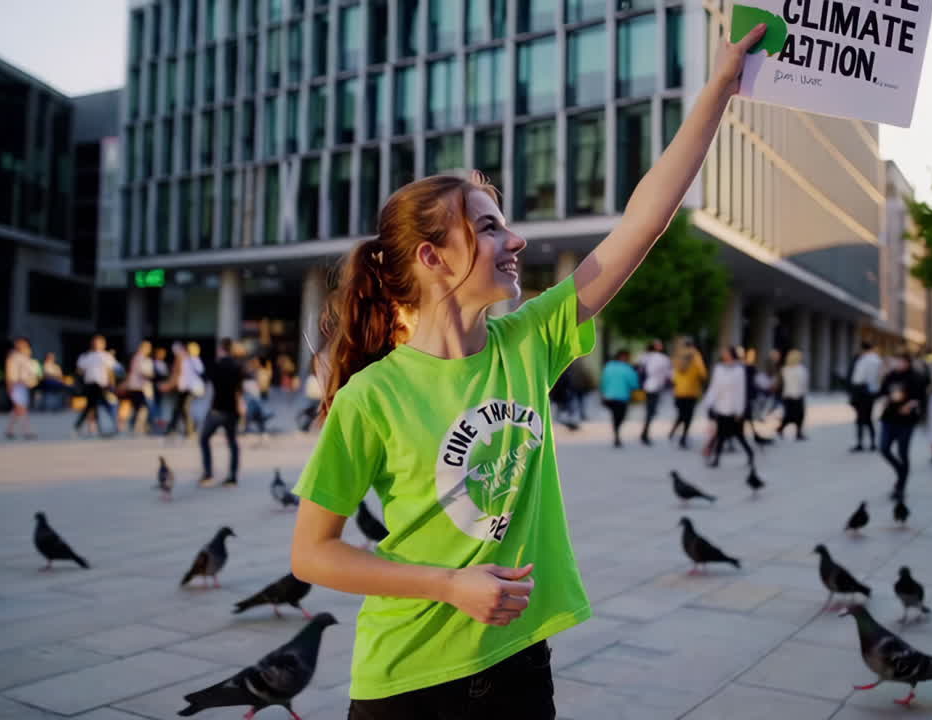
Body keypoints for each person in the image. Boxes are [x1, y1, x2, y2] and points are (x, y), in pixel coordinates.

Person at [288, 26, 766, 716]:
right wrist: (449, 585)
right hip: (408, 683)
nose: (515, 239)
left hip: (519, 666)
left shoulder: (530, 340)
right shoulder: (374, 395)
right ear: (432, 258)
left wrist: (719, 87)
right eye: (487, 228)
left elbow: (643, 221)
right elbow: (313, 554)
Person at [879, 353, 926, 500]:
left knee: (902, 452)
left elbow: (920, 397)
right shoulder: (890, 376)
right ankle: (901, 471)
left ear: (907, 363)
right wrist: (885, 399)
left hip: (906, 421)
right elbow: (882, 392)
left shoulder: (915, 377)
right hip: (888, 418)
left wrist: (910, 405)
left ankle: (900, 487)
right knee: (884, 448)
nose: (898, 364)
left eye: (901, 361)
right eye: (897, 361)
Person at [200, 338, 243, 487]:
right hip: (232, 410)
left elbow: (208, 385)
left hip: (217, 409)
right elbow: (239, 391)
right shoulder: (237, 366)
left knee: (204, 439)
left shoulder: (216, 366)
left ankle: (208, 473)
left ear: (221, 349)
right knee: (232, 443)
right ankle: (232, 477)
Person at [702, 347, 753, 468]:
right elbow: (714, 387)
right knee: (720, 435)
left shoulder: (739, 370)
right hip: (721, 407)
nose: (724, 355)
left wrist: (739, 410)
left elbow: (740, 391)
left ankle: (750, 454)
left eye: (727, 353)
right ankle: (716, 460)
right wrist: (708, 402)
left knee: (739, 436)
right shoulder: (719, 368)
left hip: (734, 409)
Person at [74, 335, 118, 436]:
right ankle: (103, 428)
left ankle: (102, 427)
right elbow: (79, 370)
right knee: (93, 405)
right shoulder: (86, 356)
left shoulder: (107, 356)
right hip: (90, 385)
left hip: (103, 385)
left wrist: (112, 384)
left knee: (97, 405)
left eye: (99, 343)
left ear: (103, 344)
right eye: (95, 342)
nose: (96, 345)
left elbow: (112, 371)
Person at [667, 338, 708, 449]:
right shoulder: (696, 355)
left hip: (679, 391)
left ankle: (673, 431)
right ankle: (683, 438)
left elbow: (672, 374)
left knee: (681, 414)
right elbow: (703, 373)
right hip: (691, 391)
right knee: (688, 416)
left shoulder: (678, 355)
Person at [600, 350, 641, 448]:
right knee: (620, 416)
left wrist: (603, 392)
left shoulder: (609, 366)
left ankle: (616, 432)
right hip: (622, 396)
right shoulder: (627, 368)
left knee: (615, 415)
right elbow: (634, 383)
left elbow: (603, 381)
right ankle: (617, 433)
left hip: (609, 396)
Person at [848, 341, 882, 451]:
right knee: (867, 418)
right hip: (869, 391)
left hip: (862, 390)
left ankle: (861, 443)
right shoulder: (876, 360)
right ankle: (871, 443)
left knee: (861, 418)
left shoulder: (865, 360)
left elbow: (859, 378)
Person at [637, 339, 672, 446]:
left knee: (650, 410)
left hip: (649, 386)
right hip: (654, 387)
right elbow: (668, 374)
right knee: (650, 411)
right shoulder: (662, 358)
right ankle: (645, 433)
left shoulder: (645, 357)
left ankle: (645, 432)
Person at [4, 338, 41, 439]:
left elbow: (30, 371)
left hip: (23, 385)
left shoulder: (24, 357)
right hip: (16, 385)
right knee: (22, 409)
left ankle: (9, 430)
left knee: (17, 409)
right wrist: (9, 386)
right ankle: (27, 431)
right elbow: (10, 373)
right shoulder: (14, 357)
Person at [125, 341, 156, 434]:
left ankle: (136, 426)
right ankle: (138, 427)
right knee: (142, 407)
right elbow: (142, 372)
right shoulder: (140, 358)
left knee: (139, 408)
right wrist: (152, 375)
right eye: (147, 347)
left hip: (139, 387)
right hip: (138, 387)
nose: (149, 350)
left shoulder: (140, 358)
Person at [777, 349, 809, 440]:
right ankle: (798, 433)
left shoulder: (785, 369)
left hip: (787, 395)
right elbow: (803, 383)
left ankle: (780, 429)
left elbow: (781, 383)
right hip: (798, 395)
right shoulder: (801, 369)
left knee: (788, 415)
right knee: (799, 415)